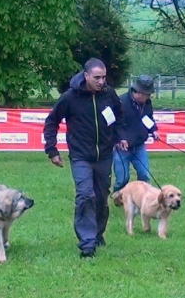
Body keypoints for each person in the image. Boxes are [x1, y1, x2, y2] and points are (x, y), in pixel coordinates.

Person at [43, 58, 128, 258]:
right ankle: (87, 243)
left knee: (100, 198)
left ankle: (98, 234)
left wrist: (121, 137)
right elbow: (51, 121)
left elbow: (119, 117)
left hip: (105, 155)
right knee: (85, 195)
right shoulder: (70, 97)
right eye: (97, 77)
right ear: (86, 75)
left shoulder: (109, 94)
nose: (101, 81)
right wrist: (52, 150)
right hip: (80, 155)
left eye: (104, 77)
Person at [112, 75, 159, 193]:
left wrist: (153, 129)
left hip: (139, 145)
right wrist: (120, 139)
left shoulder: (147, 103)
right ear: (138, 93)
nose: (149, 96)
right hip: (121, 147)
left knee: (144, 175)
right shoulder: (120, 102)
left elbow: (147, 118)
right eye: (147, 94)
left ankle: (143, 198)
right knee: (122, 179)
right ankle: (118, 197)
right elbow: (114, 124)